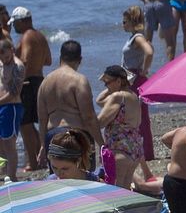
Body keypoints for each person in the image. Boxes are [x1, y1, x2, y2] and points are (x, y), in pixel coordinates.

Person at [35, 38, 102, 167]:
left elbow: (42, 119)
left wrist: (43, 145)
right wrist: (101, 143)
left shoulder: (45, 82)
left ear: (60, 57)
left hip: (53, 136)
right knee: (84, 180)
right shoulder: (79, 81)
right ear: (80, 59)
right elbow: (88, 117)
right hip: (76, 136)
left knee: (61, 182)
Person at [96, 65, 147, 190]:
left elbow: (100, 123)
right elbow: (99, 100)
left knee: (115, 192)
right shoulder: (133, 96)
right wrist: (113, 85)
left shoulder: (118, 97)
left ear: (119, 81)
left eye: (107, 82)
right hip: (135, 149)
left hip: (120, 149)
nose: (106, 86)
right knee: (125, 191)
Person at [0, 34, 23, 180]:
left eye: (6, 57)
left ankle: (12, 177)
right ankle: (3, 175)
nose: (4, 60)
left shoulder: (18, 66)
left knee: (9, 144)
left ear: (12, 50)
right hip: (2, 106)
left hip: (11, 107)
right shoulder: (2, 63)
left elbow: (15, 92)